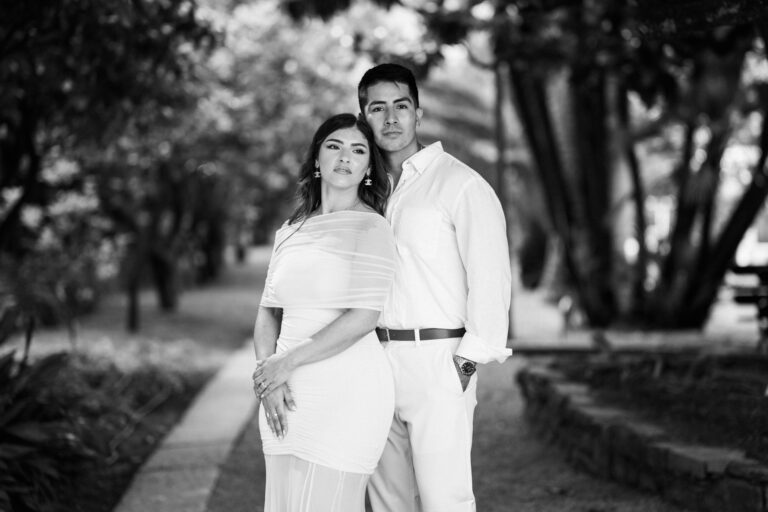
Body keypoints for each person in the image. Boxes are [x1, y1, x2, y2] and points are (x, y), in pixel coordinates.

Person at [359, 63, 513, 512]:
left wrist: (464, 365)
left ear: (418, 113)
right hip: (374, 363)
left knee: (446, 501)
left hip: (439, 362)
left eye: (401, 106)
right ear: (363, 116)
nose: (390, 118)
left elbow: (491, 278)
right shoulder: (364, 194)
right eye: (377, 108)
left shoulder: (460, 184)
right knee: (388, 503)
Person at [250, 113, 396, 512]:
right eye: (334, 146)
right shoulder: (291, 229)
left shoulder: (372, 229)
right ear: (317, 158)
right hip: (285, 393)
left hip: (347, 391)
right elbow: (267, 313)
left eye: (358, 149)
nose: (345, 156)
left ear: (369, 166)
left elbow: (363, 318)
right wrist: (269, 377)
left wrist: (285, 363)